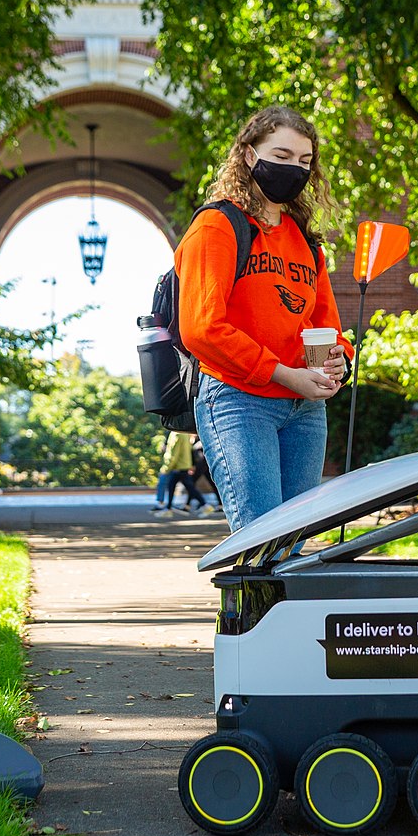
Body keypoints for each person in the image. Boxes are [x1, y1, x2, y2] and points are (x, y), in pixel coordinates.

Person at [176, 105, 350, 531]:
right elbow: (201, 327)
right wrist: (282, 374)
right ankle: (254, 602)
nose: (295, 169)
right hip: (238, 400)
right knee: (261, 536)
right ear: (250, 156)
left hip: (305, 409)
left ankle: (277, 600)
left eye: (305, 161)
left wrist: (340, 361)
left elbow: (327, 325)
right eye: (283, 156)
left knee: (295, 540)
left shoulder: (305, 241)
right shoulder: (218, 226)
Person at [151, 430, 201, 515]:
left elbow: (173, 453)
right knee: (177, 486)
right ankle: (168, 508)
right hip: (183, 465)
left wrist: (166, 468)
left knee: (187, 487)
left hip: (178, 466)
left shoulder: (176, 434)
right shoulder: (185, 434)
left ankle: (204, 504)